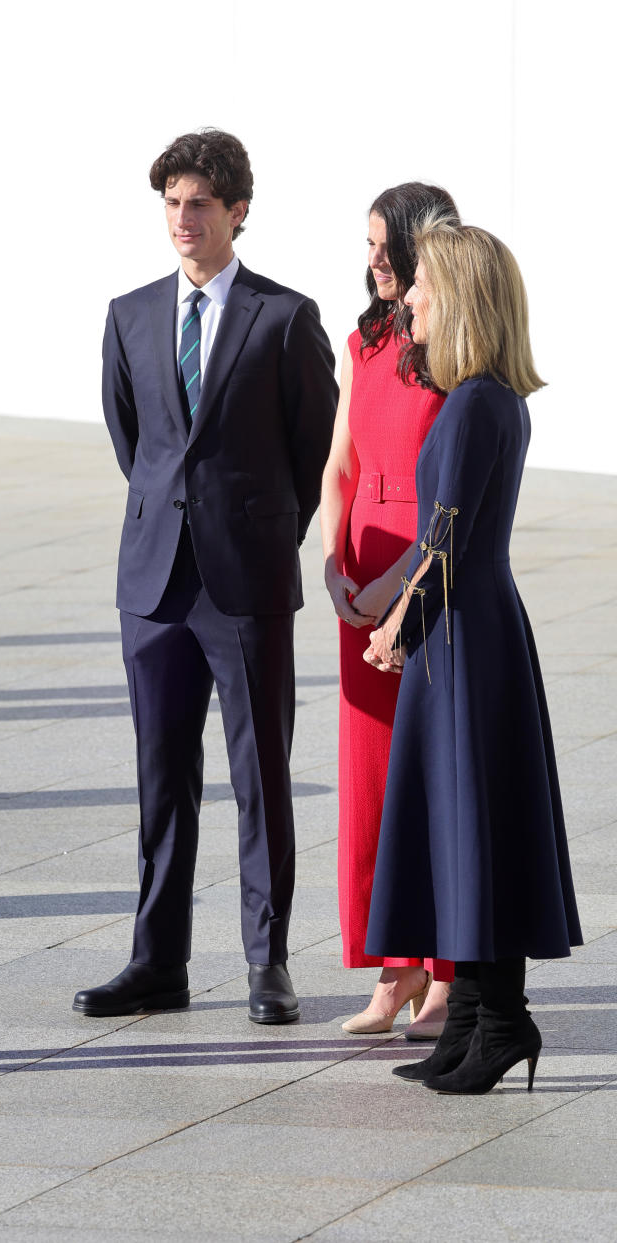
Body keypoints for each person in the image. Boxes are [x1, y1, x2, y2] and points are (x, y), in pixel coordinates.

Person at [73, 129, 338, 1024]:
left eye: (199, 204)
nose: (182, 219)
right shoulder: (129, 312)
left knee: (261, 774)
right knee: (162, 779)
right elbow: (135, 442)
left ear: (238, 212)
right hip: (153, 586)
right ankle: (158, 962)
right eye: (172, 203)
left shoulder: (286, 316)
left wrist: (261, 532)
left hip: (246, 580)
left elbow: (312, 454)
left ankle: (268, 962)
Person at [363, 217, 582, 1093]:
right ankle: (477, 1022)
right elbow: (443, 543)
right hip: (468, 630)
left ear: (452, 296)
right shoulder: (488, 400)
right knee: (463, 825)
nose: (407, 297)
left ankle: (499, 1023)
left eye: (419, 285)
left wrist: (398, 629)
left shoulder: (473, 405)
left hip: (463, 636)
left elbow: (444, 544)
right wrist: (399, 620)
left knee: (473, 822)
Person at [319, 184, 459, 1039]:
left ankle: (447, 971)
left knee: (431, 776)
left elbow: (450, 494)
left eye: (387, 245)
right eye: (367, 244)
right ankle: (392, 967)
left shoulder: (451, 344)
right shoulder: (364, 339)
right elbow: (341, 460)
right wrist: (335, 560)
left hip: (425, 569)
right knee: (369, 780)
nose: (374, 259)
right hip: (361, 564)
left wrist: (395, 590)